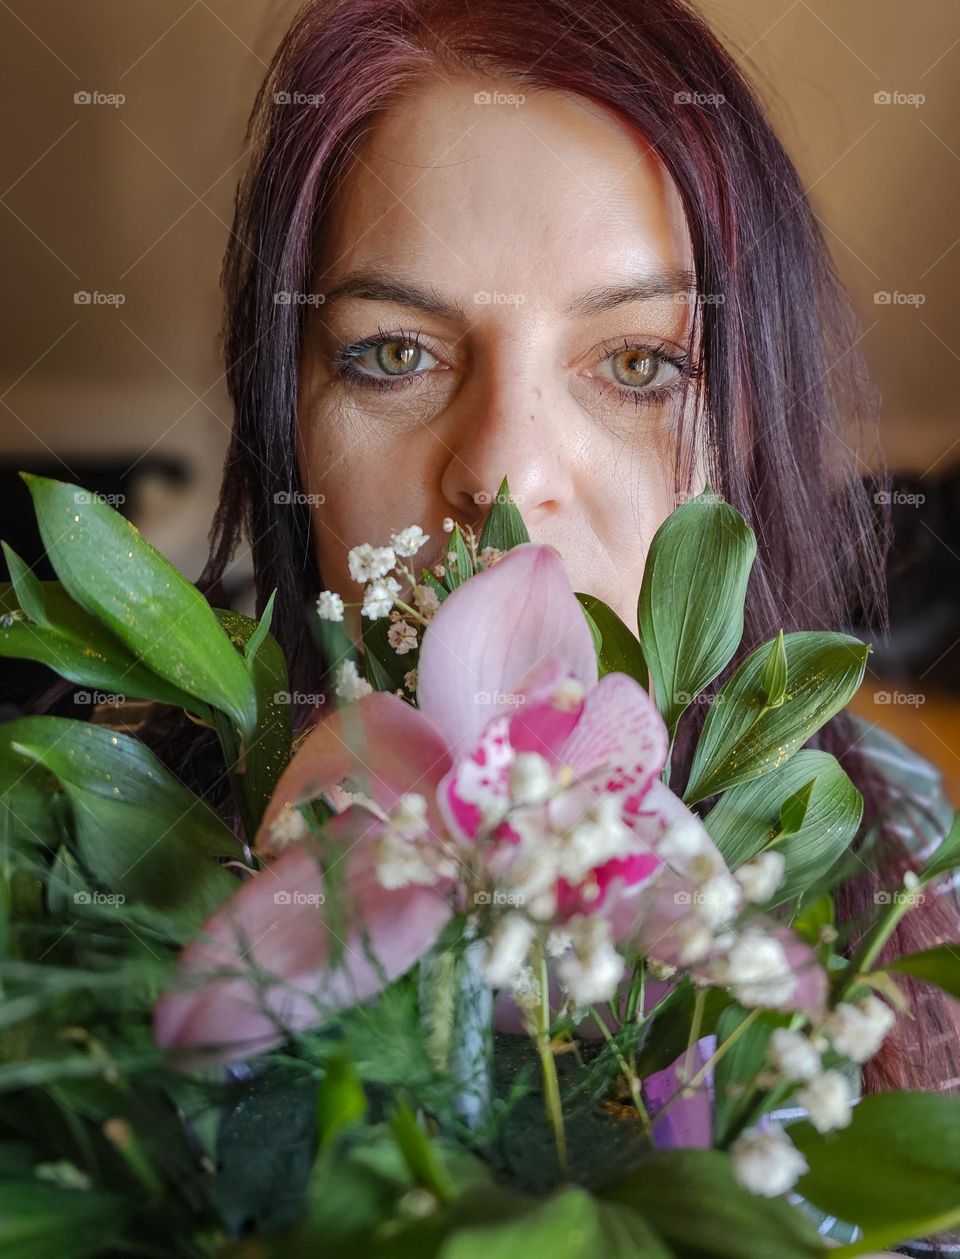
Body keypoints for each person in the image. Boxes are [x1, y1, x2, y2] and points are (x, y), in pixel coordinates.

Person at [139, 1, 959, 1251]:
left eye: (638, 364)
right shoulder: (96, 886)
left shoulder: (919, 870)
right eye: (393, 353)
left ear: (743, 434)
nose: (506, 478)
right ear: (283, 415)